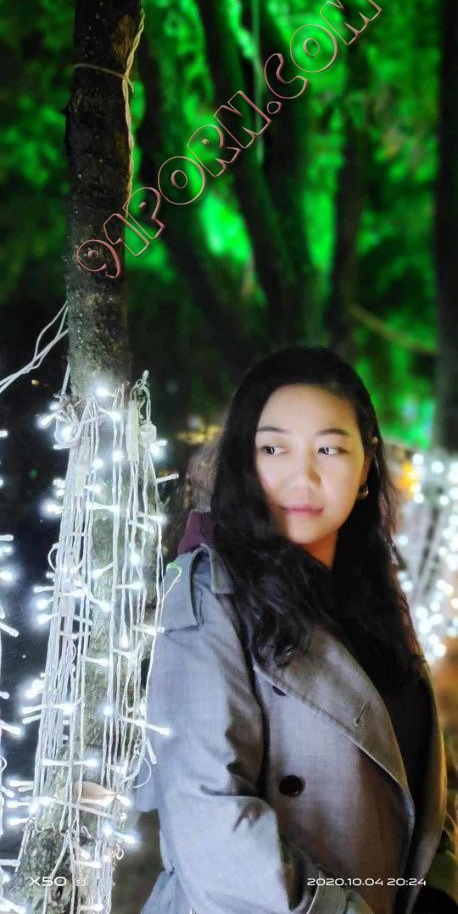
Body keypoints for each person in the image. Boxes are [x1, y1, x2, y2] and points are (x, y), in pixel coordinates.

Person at [134, 346, 458, 914]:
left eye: (329, 449)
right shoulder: (208, 592)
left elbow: (418, 787)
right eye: (273, 448)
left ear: (366, 465)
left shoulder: (375, 595)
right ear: (244, 461)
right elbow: (207, 815)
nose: (303, 477)